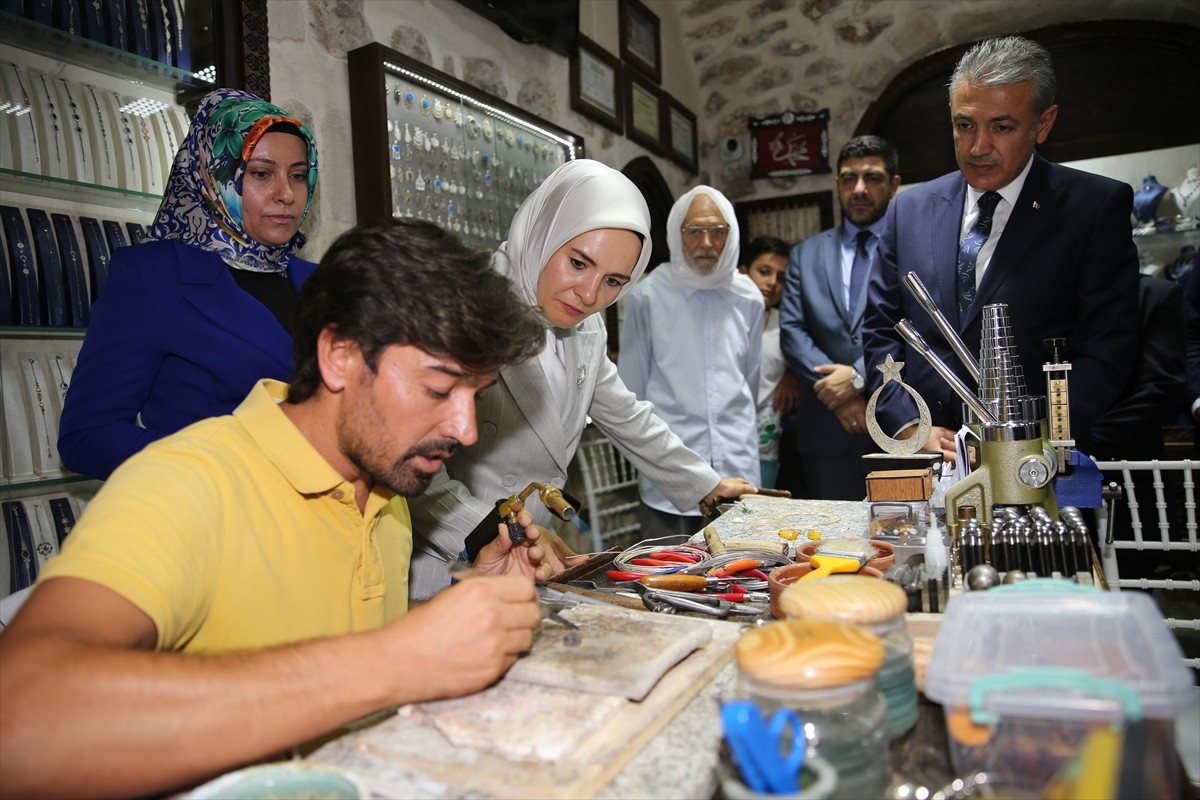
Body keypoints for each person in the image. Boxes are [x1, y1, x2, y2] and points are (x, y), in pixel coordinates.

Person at [0, 218, 554, 799]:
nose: (466, 430)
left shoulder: (384, 493)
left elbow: (337, 637)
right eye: (440, 390)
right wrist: (389, 661)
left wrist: (458, 610)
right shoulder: (187, 483)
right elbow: (21, 718)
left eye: (478, 397)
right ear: (339, 355)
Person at [406, 160, 756, 599]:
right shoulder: (464, 307)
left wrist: (705, 484)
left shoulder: (585, 325)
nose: (591, 295)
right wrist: (489, 529)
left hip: (531, 558)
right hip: (453, 559)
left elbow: (625, 415)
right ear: (544, 232)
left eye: (613, 281)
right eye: (577, 263)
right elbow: (408, 463)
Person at [863, 36, 1139, 461]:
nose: (978, 147)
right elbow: (882, 330)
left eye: (1002, 127)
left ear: (1043, 124)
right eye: (964, 125)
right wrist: (908, 423)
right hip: (928, 458)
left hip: (1037, 463)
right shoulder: (909, 210)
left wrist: (1028, 441)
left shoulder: (1092, 208)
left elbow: (1108, 347)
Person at [58, 88, 320, 480]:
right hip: (219, 524)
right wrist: (225, 460)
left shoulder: (321, 282)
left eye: (298, 176)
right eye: (262, 174)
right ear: (214, 177)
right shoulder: (153, 276)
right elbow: (87, 436)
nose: (286, 194)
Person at [619, 186, 764, 538]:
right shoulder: (648, 296)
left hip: (737, 455)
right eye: (694, 231)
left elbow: (751, 379)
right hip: (669, 466)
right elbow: (630, 388)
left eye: (717, 230)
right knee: (665, 569)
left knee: (744, 567)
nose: (706, 243)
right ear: (675, 233)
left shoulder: (749, 297)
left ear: (731, 233)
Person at [781, 135, 901, 499]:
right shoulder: (806, 253)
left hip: (895, 422)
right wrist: (839, 393)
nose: (859, 189)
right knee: (830, 544)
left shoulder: (909, 245)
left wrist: (860, 376)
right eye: (849, 179)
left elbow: (917, 328)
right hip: (825, 429)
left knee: (898, 541)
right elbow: (792, 331)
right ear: (837, 184)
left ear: (894, 184)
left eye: (873, 178)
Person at [738, 235, 798, 489]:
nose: (772, 283)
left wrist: (792, 373)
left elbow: (804, 354)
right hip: (725, 446)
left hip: (766, 447)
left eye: (781, 277)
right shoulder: (723, 322)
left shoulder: (787, 323)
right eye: (764, 272)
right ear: (743, 272)